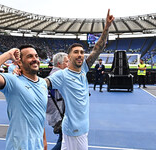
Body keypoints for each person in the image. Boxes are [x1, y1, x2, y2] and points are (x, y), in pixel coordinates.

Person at [45, 9, 114, 150]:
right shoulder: (62, 75)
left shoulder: (83, 68)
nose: (80, 55)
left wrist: (106, 28)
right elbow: (43, 84)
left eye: (82, 52)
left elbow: (98, 49)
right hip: (74, 131)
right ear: (68, 57)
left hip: (81, 128)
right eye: (76, 52)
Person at [0, 45, 48, 150]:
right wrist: (9, 54)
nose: (35, 59)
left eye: (36, 56)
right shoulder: (13, 81)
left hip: (38, 147)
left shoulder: (43, 83)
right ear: (19, 62)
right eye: (30, 56)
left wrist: (44, 142)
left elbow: (39, 116)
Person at [46, 52, 68, 150]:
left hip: (55, 114)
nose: (69, 64)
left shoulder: (52, 75)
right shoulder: (60, 75)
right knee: (65, 141)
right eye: (67, 62)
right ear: (59, 64)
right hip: (59, 115)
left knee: (63, 139)